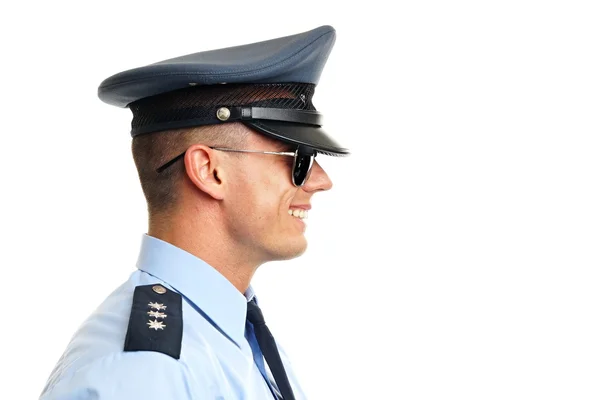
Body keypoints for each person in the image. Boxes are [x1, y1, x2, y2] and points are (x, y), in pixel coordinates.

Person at [39, 25, 350, 400]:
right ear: (209, 170)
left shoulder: (231, 338)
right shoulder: (147, 373)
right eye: (298, 158)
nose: (320, 180)